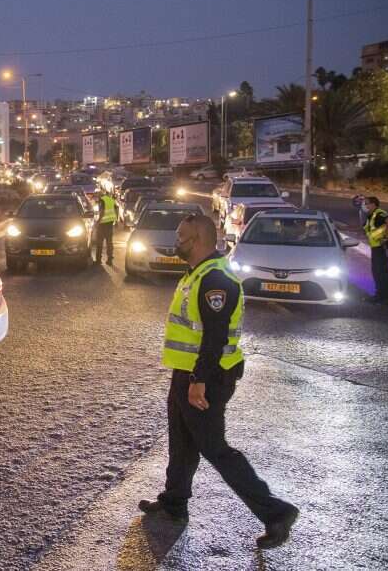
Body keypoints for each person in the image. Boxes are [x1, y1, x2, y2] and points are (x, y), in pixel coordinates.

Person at [138, 214, 299, 550]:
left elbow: (214, 337)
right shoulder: (197, 274)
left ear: (196, 240)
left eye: (181, 236)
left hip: (205, 377)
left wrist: (198, 380)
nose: (176, 241)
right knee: (181, 442)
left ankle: (276, 512)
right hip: (186, 373)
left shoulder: (215, 280)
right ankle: (174, 503)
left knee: (215, 449)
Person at [363, 196, 388, 305]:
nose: (366, 206)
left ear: (374, 204)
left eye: (367, 203)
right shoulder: (371, 215)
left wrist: (386, 238)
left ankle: (385, 297)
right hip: (376, 247)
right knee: (377, 272)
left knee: (382, 272)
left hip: (382, 247)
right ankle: (380, 295)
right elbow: (367, 230)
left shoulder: (379, 213)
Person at [93, 190, 117, 266]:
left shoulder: (102, 201)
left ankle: (98, 260)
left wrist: (97, 222)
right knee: (109, 242)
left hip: (103, 224)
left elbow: (102, 212)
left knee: (99, 242)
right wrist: (115, 220)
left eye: (97, 196)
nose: (96, 198)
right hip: (110, 224)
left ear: (99, 195)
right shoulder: (110, 200)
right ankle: (110, 260)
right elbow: (116, 209)